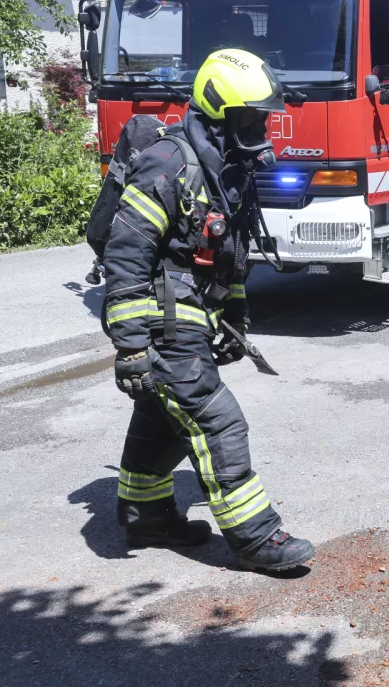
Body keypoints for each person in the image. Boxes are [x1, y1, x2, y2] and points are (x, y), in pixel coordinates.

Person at [103, 49, 314, 572]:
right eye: (252, 116)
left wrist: (236, 314)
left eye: (263, 115)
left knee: (160, 415)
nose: (262, 125)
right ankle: (255, 538)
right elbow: (126, 252)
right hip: (163, 318)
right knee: (217, 421)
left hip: (193, 313)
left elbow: (229, 255)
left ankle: (145, 516)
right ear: (220, 111)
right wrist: (131, 345)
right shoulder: (169, 162)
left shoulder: (227, 166)